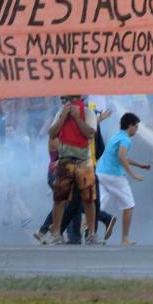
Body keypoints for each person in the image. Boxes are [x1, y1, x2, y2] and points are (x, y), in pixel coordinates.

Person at [44, 95, 101, 246]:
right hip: (65, 160)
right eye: (66, 99)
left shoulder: (89, 113)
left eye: (73, 98)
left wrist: (76, 118)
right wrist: (63, 117)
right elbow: (52, 133)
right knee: (59, 199)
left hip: (84, 161)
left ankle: (92, 234)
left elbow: (90, 133)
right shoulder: (60, 113)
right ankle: (56, 234)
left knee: (89, 199)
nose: (70, 102)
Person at [96, 112, 150, 246]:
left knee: (96, 206)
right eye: (136, 126)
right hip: (114, 176)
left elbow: (121, 156)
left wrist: (140, 165)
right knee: (129, 205)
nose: (137, 129)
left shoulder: (116, 136)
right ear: (130, 126)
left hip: (100, 173)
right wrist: (133, 174)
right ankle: (124, 238)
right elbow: (121, 157)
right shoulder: (126, 139)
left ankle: (87, 231)